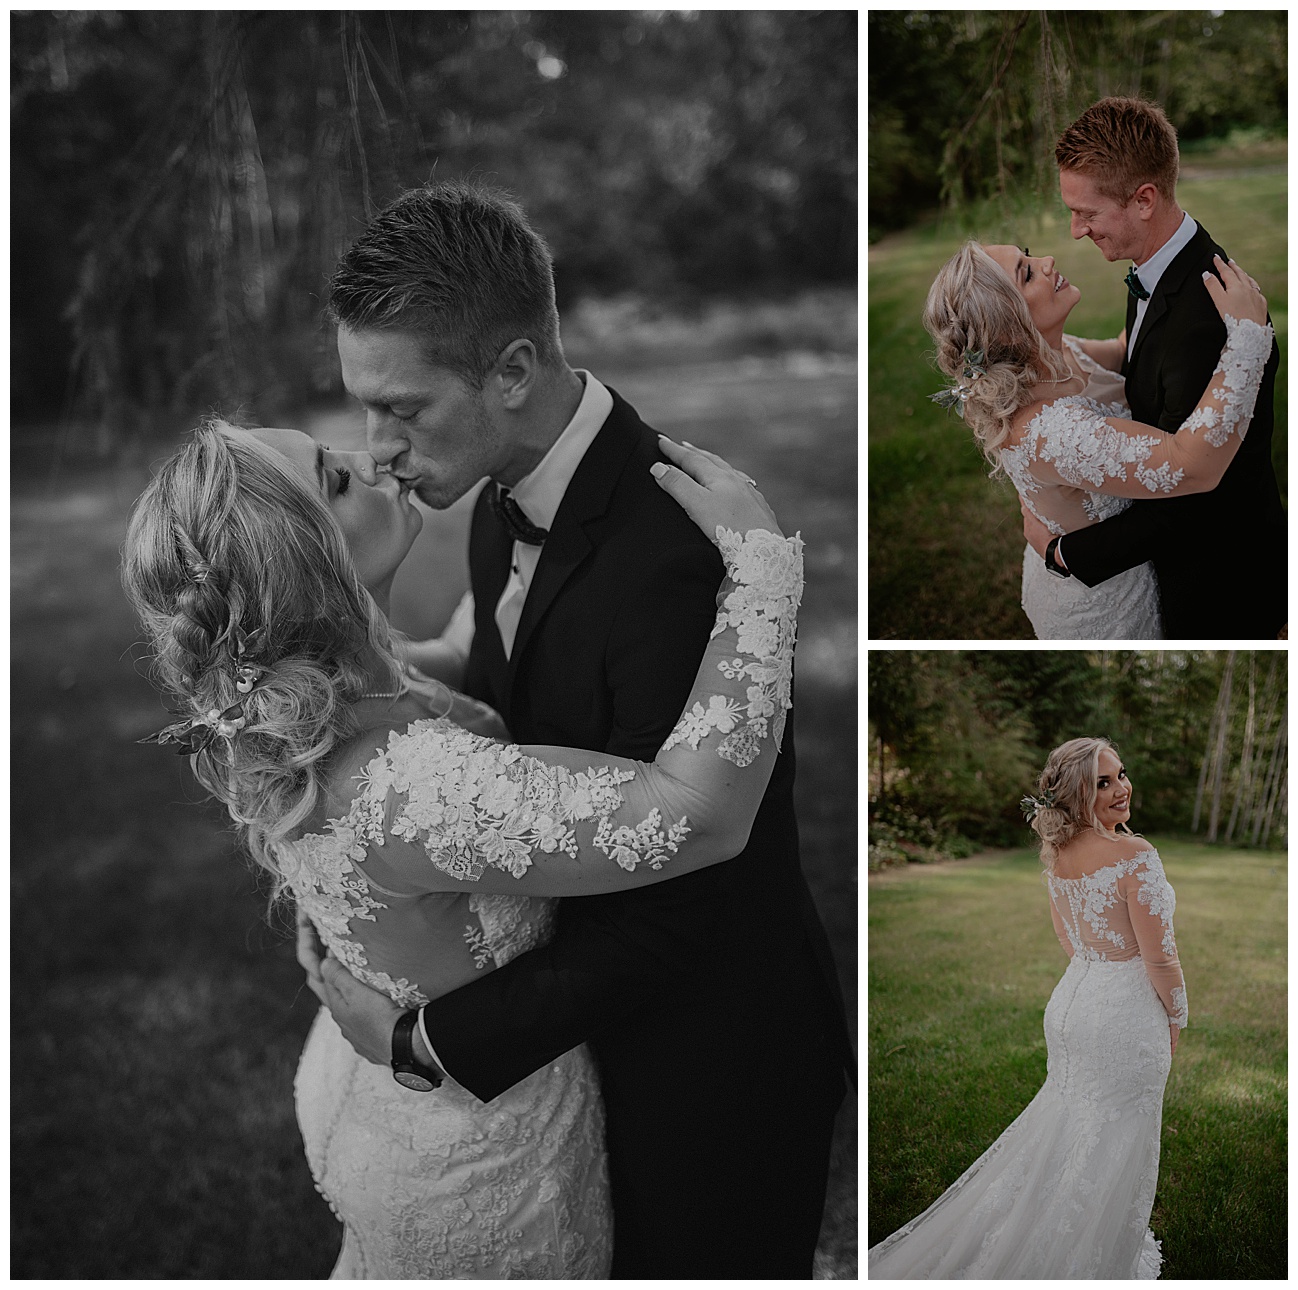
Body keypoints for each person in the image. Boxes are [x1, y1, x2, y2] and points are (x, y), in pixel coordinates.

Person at [125, 418, 814, 1277]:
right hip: (490, 1163)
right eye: (337, 480)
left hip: (385, 1099)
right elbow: (697, 810)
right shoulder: (413, 792)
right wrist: (760, 571)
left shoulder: (305, 711)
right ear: (309, 575)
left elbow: (449, 664)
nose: (371, 455)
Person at [868, 737, 1187, 1278]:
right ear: (1076, 794)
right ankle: (1083, 1256)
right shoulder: (1136, 856)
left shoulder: (1058, 853)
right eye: (1103, 782)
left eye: (1121, 775)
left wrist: (1096, 969)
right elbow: (1161, 960)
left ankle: (1038, 1230)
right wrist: (1176, 1018)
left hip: (1071, 1004)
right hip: (1121, 1016)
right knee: (1113, 1139)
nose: (1121, 788)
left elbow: (1068, 938)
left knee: (1068, 1127)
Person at [1023, 96, 1285, 639]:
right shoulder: (1156, 261)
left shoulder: (1209, 323)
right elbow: (1136, 351)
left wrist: (1065, 553)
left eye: (1087, 213)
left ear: (1144, 199)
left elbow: (1189, 493)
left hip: (1218, 576)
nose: (1075, 231)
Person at [924, 240, 1271, 639]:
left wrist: (1163, 272)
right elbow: (1194, 466)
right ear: (1010, 327)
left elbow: (1127, 348)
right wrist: (1247, 338)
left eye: (1028, 253)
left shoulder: (1058, 355)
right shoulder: (1050, 433)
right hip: (1107, 607)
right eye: (1027, 272)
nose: (1048, 261)